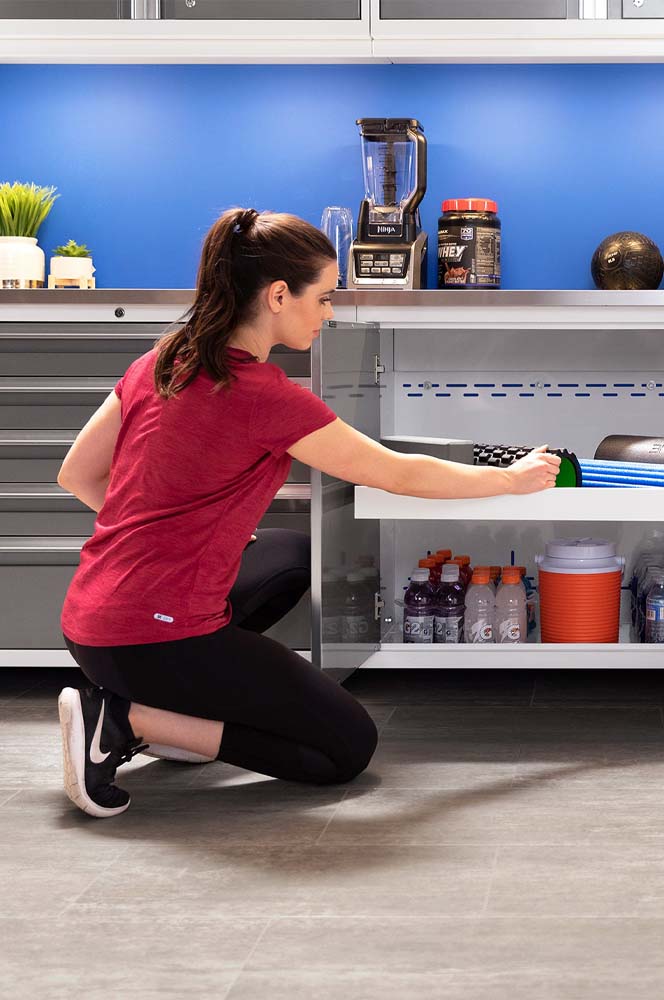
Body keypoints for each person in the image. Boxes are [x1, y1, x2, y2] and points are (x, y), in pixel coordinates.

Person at [56, 207, 560, 819]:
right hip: (152, 640)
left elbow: (76, 475)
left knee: (291, 556)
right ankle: (125, 719)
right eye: (322, 299)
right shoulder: (265, 397)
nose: (328, 314)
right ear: (276, 295)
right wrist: (508, 480)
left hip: (90, 617)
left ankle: (166, 700)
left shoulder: (162, 359)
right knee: (345, 748)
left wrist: (167, 536)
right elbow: (398, 473)